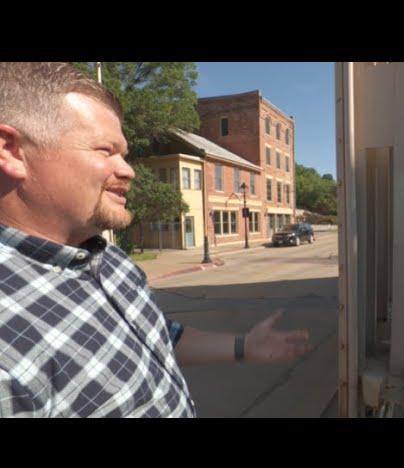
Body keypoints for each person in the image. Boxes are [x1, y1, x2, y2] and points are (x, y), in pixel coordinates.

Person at [0, 62, 310, 417]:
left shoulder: (108, 259)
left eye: (125, 154)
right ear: (11, 150)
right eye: (105, 150)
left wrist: (244, 347)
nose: (128, 169)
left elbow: (160, 335)